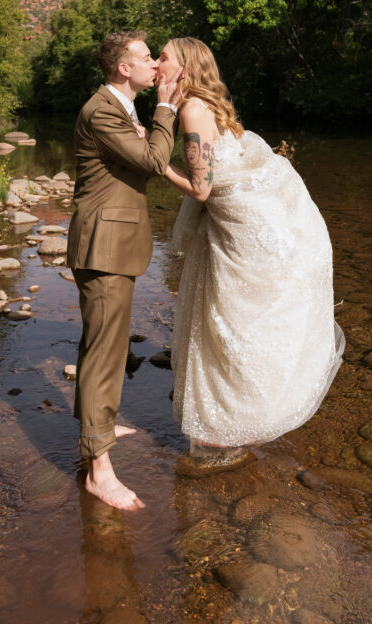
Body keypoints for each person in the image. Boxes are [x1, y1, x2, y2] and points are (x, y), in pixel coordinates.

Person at [157, 37, 345, 467]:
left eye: (162, 58)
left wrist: (157, 165)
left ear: (183, 68)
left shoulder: (191, 109)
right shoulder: (207, 104)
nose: (155, 64)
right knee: (234, 319)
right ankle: (231, 423)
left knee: (228, 321)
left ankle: (228, 428)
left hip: (238, 225)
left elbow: (201, 189)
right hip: (242, 221)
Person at [67, 30, 181, 509]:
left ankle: (99, 424)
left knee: (105, 345)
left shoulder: (120, 107)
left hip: (112, 244)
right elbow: (155, 160)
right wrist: (168, 107)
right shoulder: (103, 111)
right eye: (145, 56)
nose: (154, 63)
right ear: (123, 68)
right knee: (103, 352)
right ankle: (99, 468)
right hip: (103, 246)